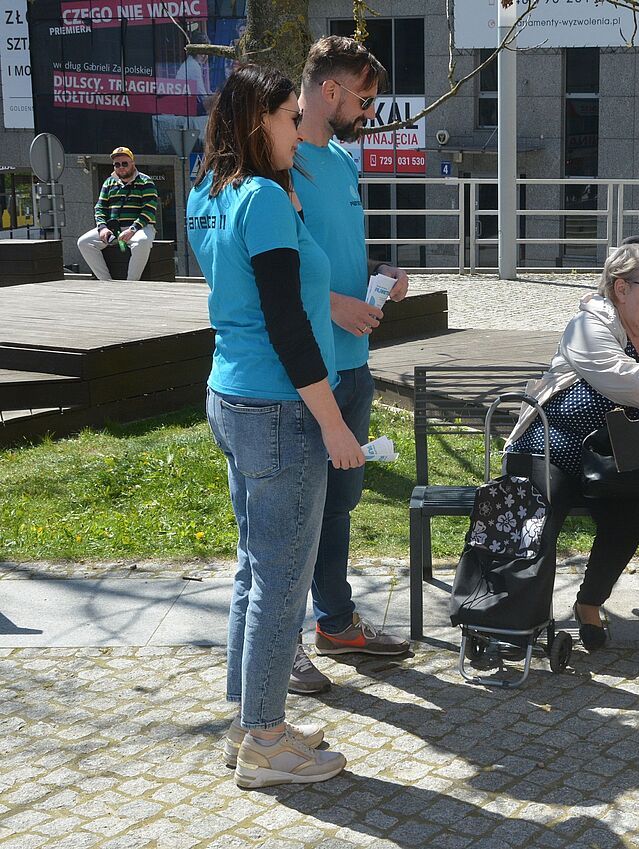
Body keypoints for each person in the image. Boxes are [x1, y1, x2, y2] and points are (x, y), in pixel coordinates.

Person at [188, 64, 364, 787]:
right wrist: (334, 425)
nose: (301, 128)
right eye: (290, 117)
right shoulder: (261, 198)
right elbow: (289, 324)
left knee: (253, 570)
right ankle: (265, 739)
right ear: (259, 120)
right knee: (280, 583)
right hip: (280, 405)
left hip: (231, 393)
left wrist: (286, 194)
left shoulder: (209, 191)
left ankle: (248, 719)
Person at [287, 35, 410, 695]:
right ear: (329, 90)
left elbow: (336, 248)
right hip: (304, 368)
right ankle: (284, 644)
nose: (369, 111)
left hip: (354, 361)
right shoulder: (273, 160)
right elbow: (269, 269)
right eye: (363, 99)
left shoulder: (341, 159)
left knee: (337, 505)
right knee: (293, 512)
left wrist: (381, 277)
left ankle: (335, 619)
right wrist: (330, 303)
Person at [503, 243, 639, 651]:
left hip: (613, 464)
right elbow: (624, 379)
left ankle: (589, 602)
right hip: (548, 451)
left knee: (633, 510)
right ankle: (519, 619)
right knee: (539, 519)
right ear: (621, 289)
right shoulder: (586, 327)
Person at [76, 147, 159, 281]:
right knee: (84, 242)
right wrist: (102, 228)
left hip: (140, 228)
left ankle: (131, 283)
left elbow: (148, 210)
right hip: (113, 229)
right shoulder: (109, 182)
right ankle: (106, 281)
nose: (121, 167)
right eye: (117, 164)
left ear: (133, 163)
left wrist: (132, 230)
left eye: (125, 163)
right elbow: (100, 208)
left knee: (142, 242)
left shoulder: (146, 181)